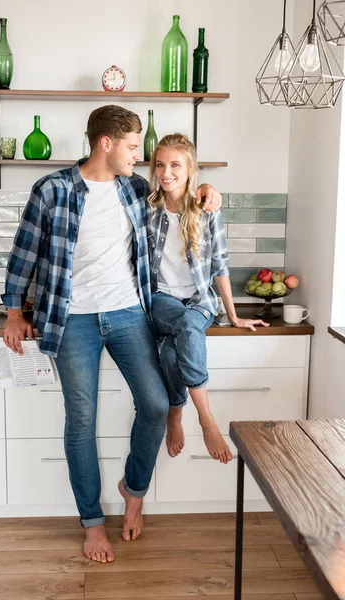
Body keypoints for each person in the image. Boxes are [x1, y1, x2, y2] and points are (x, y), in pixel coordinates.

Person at [1, 106, 222, 564]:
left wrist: (207, 189)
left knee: (158, 404)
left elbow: (180, 194)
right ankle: (92, 524)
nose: (140, 157)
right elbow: (24, 253)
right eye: (134, 146)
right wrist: (12, 313)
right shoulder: (53, 190)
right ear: (107, 143)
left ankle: (133, 489)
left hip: (127, 314)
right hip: (72, 319)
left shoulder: (136, 188)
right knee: (81, 420)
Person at [147, 134, 269, 463]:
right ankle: (207, 419)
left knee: (173, 355)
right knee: (186, 326)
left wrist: (233, 315)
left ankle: (176, 412)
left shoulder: (206, 210)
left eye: (175, 165)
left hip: (200, 302)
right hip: (159, 302)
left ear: (190, 170)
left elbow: (220, 265)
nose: (165, 172)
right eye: (160, 164)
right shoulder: (148, 209)